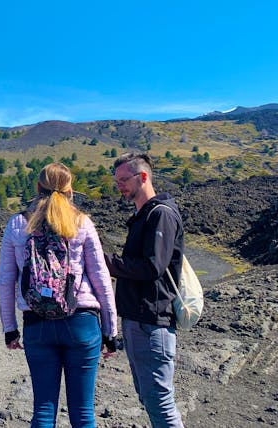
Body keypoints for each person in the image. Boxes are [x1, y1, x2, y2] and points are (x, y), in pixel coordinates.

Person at [0, 163, 118, 427]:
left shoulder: (18, 224)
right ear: (69, 190)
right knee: (83, 413)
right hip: (81, 323)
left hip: (37, 324)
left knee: (42, 410)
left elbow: (6, 281)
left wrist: (10, 329)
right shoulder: (81, 223)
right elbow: (101, 279)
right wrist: (111, 332)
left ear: (38, 188)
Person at [104, 152, 185, 428]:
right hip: (141, 320)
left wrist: (106, 263)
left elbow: (153, 267)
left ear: (144, 177)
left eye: (124, 180)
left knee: (160, 401)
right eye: (117, 182)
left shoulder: (160, 214)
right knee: (150, 398)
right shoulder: (143, 215)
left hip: (152, 322)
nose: (120, 186)